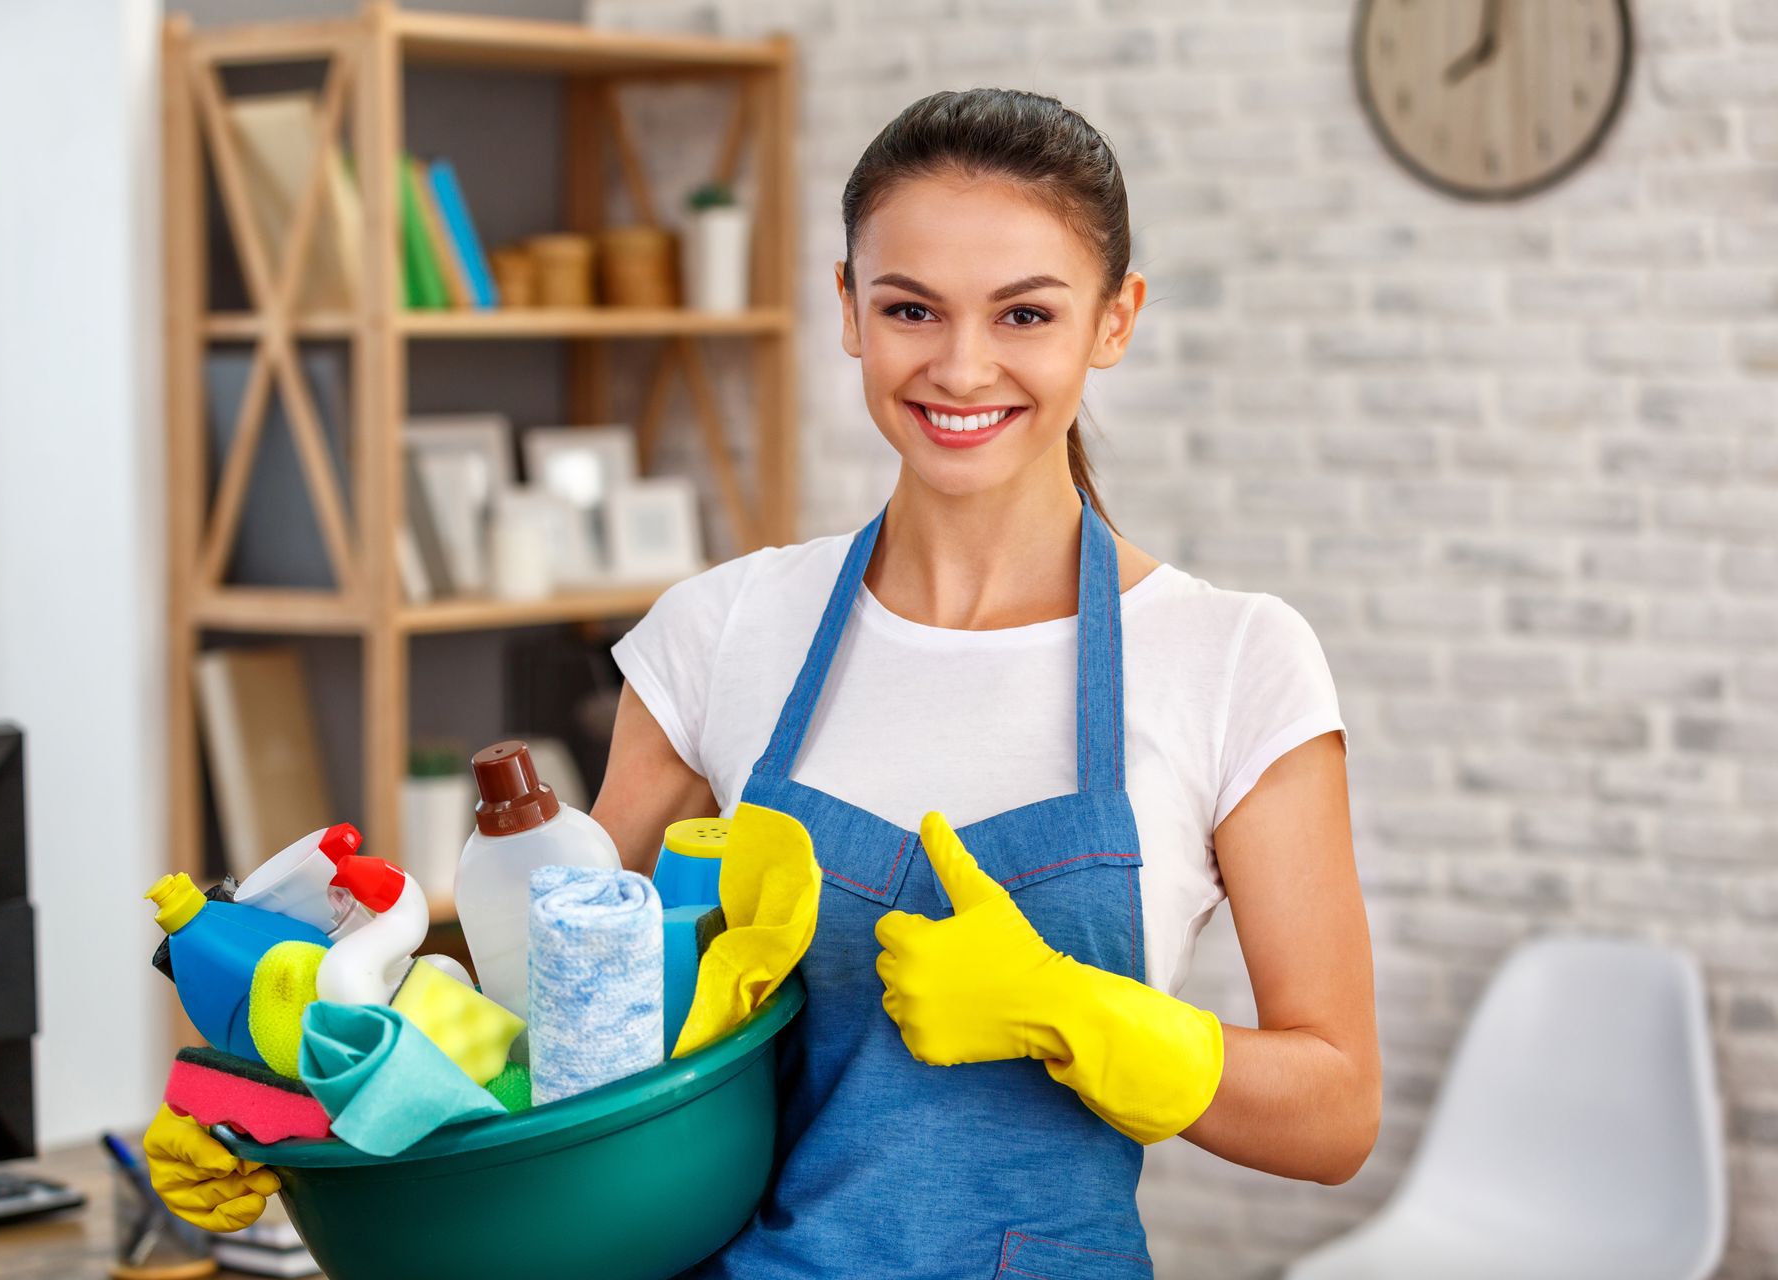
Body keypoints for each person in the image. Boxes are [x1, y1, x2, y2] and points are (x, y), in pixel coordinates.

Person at [591, 87, 1379, 1277]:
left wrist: (1072, 1010)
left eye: (1025, 313)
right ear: (848, 308)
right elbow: (568, 1017)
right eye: (912, 307)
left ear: (1115, 321)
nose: (963, 369)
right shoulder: (723, 630)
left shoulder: (1232, 660)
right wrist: (310, 1109)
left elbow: (1336, 1109)